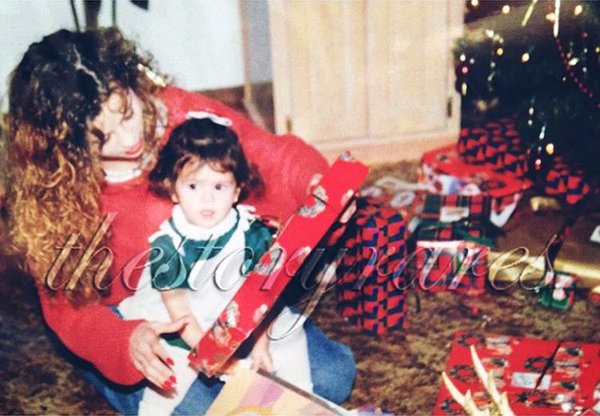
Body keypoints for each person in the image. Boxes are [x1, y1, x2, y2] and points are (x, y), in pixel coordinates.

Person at [5, 27, 354, 414]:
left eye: (128, 112)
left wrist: (314, 184)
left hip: (222, 286)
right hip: (144, 317)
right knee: (218, 405)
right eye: (102, 137)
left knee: (332, 376)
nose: (128, 138)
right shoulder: (61, 192)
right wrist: (123, 340)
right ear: (67, 147)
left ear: (132, 83)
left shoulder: (181, 114)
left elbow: (269, 155)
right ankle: (106, 374)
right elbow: (68, 309)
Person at [117, 117, 313, 414]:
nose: (207, 198)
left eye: (220, 186)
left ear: (237, 191)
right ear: (173, 189)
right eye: (194, 185)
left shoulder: (252, 233)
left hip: (244, 319)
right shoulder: (167, 247)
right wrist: (220, 359)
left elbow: (263, 296)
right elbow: (182, 318)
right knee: (167, 382)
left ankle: (306, 406)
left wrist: (260, 345)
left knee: (293, 339)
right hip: (188, 332)